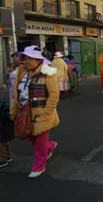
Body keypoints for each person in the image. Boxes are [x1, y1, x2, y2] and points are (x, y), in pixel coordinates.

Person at [10, 45, 60, 178]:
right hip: (23, 112)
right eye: (25, 57)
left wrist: (45, 114)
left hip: (41, 114)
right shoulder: (21, 72)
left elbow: (54, 96)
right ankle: (49, 146)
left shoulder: (48, 73)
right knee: (27, 135)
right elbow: (15, 93)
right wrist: (13, 110)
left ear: (39, 60)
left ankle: (39, 166)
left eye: (31, 58)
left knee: (39, 143)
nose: (27, 61)